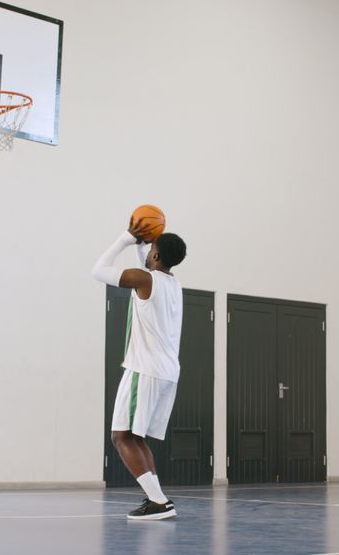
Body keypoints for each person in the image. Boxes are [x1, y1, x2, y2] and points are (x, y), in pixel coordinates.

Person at [91, 219, 188, 520]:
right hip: (166, 371)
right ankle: (156, 499)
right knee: (136, 437)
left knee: (121, 437)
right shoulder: (172, 284)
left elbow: (98, 270)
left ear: (156, 257)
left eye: (151, 250)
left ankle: (158, 501)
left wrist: (126, 238)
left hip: (144, 370)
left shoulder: (145, 280)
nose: (148, 253)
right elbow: (148, 266)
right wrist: (145, 243)